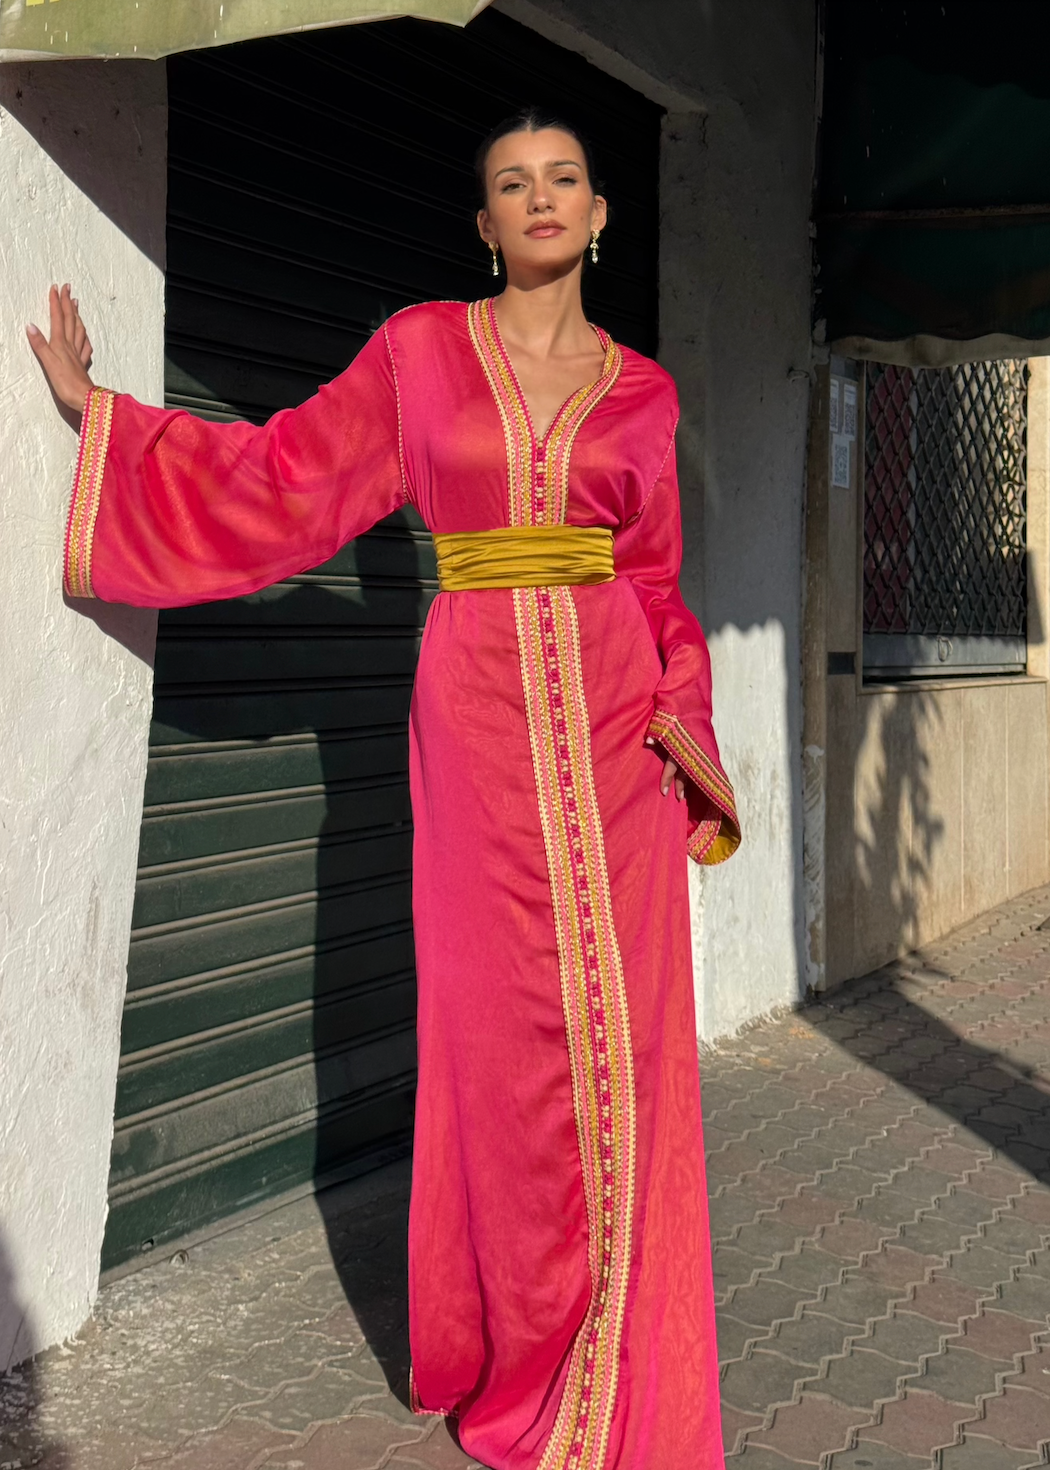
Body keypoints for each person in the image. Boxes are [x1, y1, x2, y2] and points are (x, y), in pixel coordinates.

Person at [29, 108, 740, 1470]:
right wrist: (108, 423)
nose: (539, 200)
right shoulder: (421, 351)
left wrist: (683, 733)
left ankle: (623, 1374)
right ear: (480, 226)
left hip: (613, 745)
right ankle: (517, 1344)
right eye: (509, 185)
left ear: (600, 215)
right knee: (498, 1050)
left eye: (564, 181)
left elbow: (652, 586)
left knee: (626, 1060)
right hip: (470, 722)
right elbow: (288, 476)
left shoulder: (644, 393)